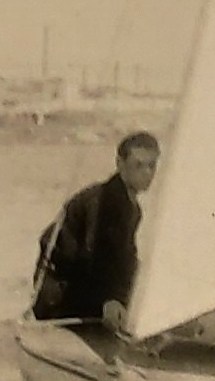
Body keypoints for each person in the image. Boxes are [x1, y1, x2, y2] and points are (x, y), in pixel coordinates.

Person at [31, 131, 160, 330]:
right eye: (138, 165)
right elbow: (95, 255)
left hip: (82, 289)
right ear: (120, 163)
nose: (147, 173)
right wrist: (109, 299)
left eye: (152, 166)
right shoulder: (104, 201)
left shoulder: (131, 207)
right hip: (60, 298)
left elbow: (123, 259)